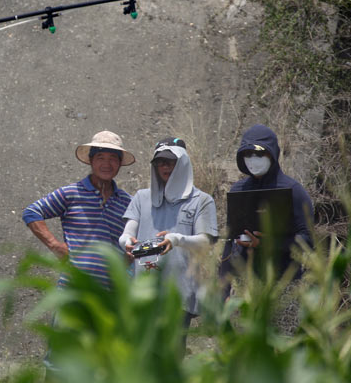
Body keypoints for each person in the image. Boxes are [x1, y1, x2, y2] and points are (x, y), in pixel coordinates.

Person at [118, 137, 218, 343]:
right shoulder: (141, 198)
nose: (165, 167)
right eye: (160, 162)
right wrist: (126, 242)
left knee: (171, 355)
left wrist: (176, 239)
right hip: (143, 294)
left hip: (179, 295)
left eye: (171, 162)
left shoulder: (201, 200)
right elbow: (127, 232)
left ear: (183, 163)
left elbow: (205, 242)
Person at [22, 130, 135, 288]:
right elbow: (32, 212)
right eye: (100, 158)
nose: (107, 164)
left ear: (120, 163)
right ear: (91, 160)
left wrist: (128, 256)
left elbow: (136, 240)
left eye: (113, 158)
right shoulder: (71, 193)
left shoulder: (128, 202)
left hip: (109, 295)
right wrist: (55, 245)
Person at [219, 124, 314, 296]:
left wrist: (268, 243)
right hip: (245, 286)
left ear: (273, 154)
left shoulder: (293, 190)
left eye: (260, 154)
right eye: (248, 154)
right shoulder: (238, 191)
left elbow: (308, 239)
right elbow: (230, 241)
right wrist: (223, 292)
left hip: (283, 285)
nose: (253, 159)